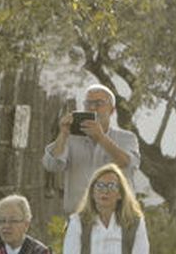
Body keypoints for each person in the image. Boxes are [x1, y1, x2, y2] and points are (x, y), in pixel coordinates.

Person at [42, 85, 142, 215]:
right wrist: (63, 134)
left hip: (116, 220)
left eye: (99, 103)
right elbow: (52, 166)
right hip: (79, 219)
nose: (93, 108)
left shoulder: (126, 138)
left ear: (112, 110)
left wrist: (101, 138)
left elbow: (126, 163)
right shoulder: (71, 139)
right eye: (88, 103)